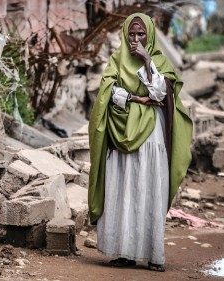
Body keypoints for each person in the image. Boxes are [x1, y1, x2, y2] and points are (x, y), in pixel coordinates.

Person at [87, 13, 193, 272]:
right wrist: (138, 99)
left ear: (149, 36)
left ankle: (154, 255)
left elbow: (159, 92)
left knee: (148, 188)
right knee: (123, 189)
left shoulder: (159, 61)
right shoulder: (116, 60)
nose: (135, 40)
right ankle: (124, 252)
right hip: (121, 134)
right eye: (131, 35)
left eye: (140, 35)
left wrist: (146, 60)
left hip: (151, 136)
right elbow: (108, 93)